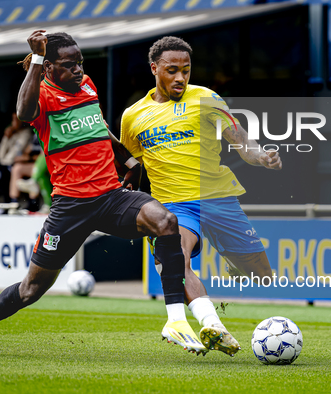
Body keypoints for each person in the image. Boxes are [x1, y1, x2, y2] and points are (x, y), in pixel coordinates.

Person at [0, 30, 205, 356]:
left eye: (81, 62)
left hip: (110, 195)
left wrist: (127, 159)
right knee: (31, 289)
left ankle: (175, 320)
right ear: (49, 67)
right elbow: (23, 113)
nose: (79, 70)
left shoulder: (86, 85)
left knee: (165, 221)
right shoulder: (42, 96)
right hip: (70, 207)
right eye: (70, 65)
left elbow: (98, 127)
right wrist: (35, 59)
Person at [121, 36, 282, 356]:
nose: (180, 77)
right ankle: (213, 326)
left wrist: (262, 156)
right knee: (175, 260)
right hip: (175, 205)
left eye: (186, 70)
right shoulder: (132, 116)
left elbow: (243, 143)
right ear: (154, 69)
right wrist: (128, 180)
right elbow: (135, 160)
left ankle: (232, 263)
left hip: (219, 199)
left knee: (263, 278)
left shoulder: (207, 98)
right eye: (171, 70)